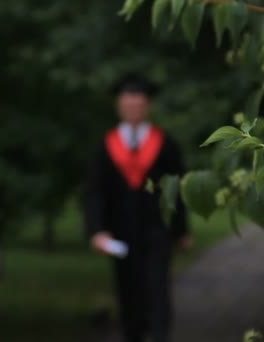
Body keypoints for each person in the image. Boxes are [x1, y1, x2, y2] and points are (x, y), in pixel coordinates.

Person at [84, 73, 191, 342]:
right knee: (128, 292)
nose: (132, 107)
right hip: (120, 233)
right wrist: (97, 229)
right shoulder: (106, 146)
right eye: (127, 102)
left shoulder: (165, 144)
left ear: (147, 106)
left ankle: (159, 336)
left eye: (138, 102)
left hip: (157, 230)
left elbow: (177, 189)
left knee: (157, 290)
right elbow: (95, 192)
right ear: (119, 106)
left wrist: (181, 229)